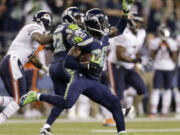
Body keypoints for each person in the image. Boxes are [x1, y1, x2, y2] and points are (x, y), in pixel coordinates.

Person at [21, 1, 134, 135]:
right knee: (68, 102)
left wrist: (125, 13)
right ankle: (37, 96)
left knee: (114, 101)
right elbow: (68, 62)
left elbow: (119, 29)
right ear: (95, 24)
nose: (106, 25)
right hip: (81, 77)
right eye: (102, 22)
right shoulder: (84, 39)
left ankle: (122, 132)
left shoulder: (105, 34)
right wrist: (86, 64)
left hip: (93, 79)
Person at [0, 10, 53, 124]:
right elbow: (41, 39)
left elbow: (32, 58)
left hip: (10, 62)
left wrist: (45, 69)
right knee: (20, 99)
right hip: (13, 62)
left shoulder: (33, 30)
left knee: (18, 99)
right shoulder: (34, 27)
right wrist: (59, 33)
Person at [104, 14, 146, 125]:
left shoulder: (141, 33)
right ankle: (111, 118)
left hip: (128, 66)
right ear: (131, 22)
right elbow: (119, 55)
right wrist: (134, 61)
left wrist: (139, 61)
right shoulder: (124, 34)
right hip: (116, 64)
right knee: (118, 94)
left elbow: (137, 50)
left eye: (139, 22)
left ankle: (125, 102)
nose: (138, 24)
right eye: (136, 22)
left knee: (141, 89)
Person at [149, 25, 178, 117]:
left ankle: (164, 111)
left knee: (168, 90)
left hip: (169, 68)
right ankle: (153, 111)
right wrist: (158, 48)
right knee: (156, 89)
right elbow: (152, 57)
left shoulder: (172, 42)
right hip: (158, 67)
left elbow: (175, 59)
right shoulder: (155, 42)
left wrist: (169, 48)